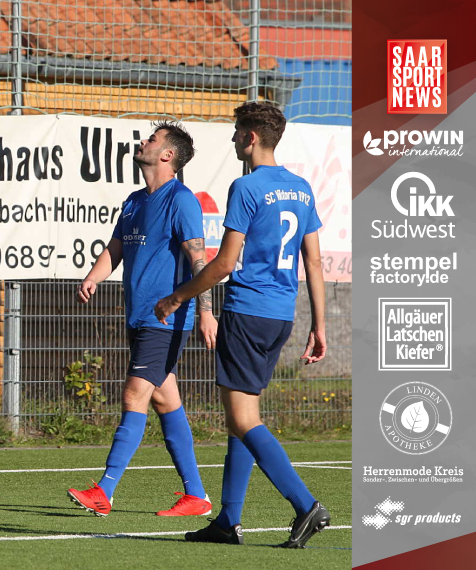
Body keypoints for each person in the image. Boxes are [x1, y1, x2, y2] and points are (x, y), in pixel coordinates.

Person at [154, 101, 329, 548]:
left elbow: (226, 263)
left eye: (236, 132)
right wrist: (319, 325)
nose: (233, 140)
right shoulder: (301, 188)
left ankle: (306, 505)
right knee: (241, 416)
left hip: (248, 312)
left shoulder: (247, 187)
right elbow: (313, 260)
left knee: (243, 417)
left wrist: (179, 296)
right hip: (281, 317)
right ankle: (227, 521)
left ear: (251, 137)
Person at [67, 122, 217, 518]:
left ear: (167, 155)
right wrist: (93, 277)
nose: (143, 142)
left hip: (165, 320)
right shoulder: (133, 201)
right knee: (166, 401)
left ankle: (105, 490)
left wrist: (206, 312)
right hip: (137, 317)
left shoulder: (181, 200)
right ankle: (197, 495)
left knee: (134, 394)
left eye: (152, 139)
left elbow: (198, 261)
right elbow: (114, 249)